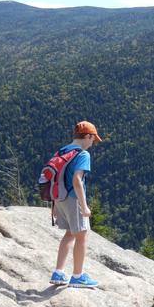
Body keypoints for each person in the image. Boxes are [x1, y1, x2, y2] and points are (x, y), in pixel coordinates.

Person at [49, 121, 102, 288]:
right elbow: (77, 180)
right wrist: (84, 206)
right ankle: (77, 276)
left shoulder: (63, 151)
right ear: (87, 136)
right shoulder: (83, 154)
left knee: (70, 234)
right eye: (93, 140)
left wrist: (54, 205)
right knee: (82, 234)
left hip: (60, 198)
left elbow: (55, 178)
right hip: (73, 198)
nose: (93, 144)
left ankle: (58, 273)